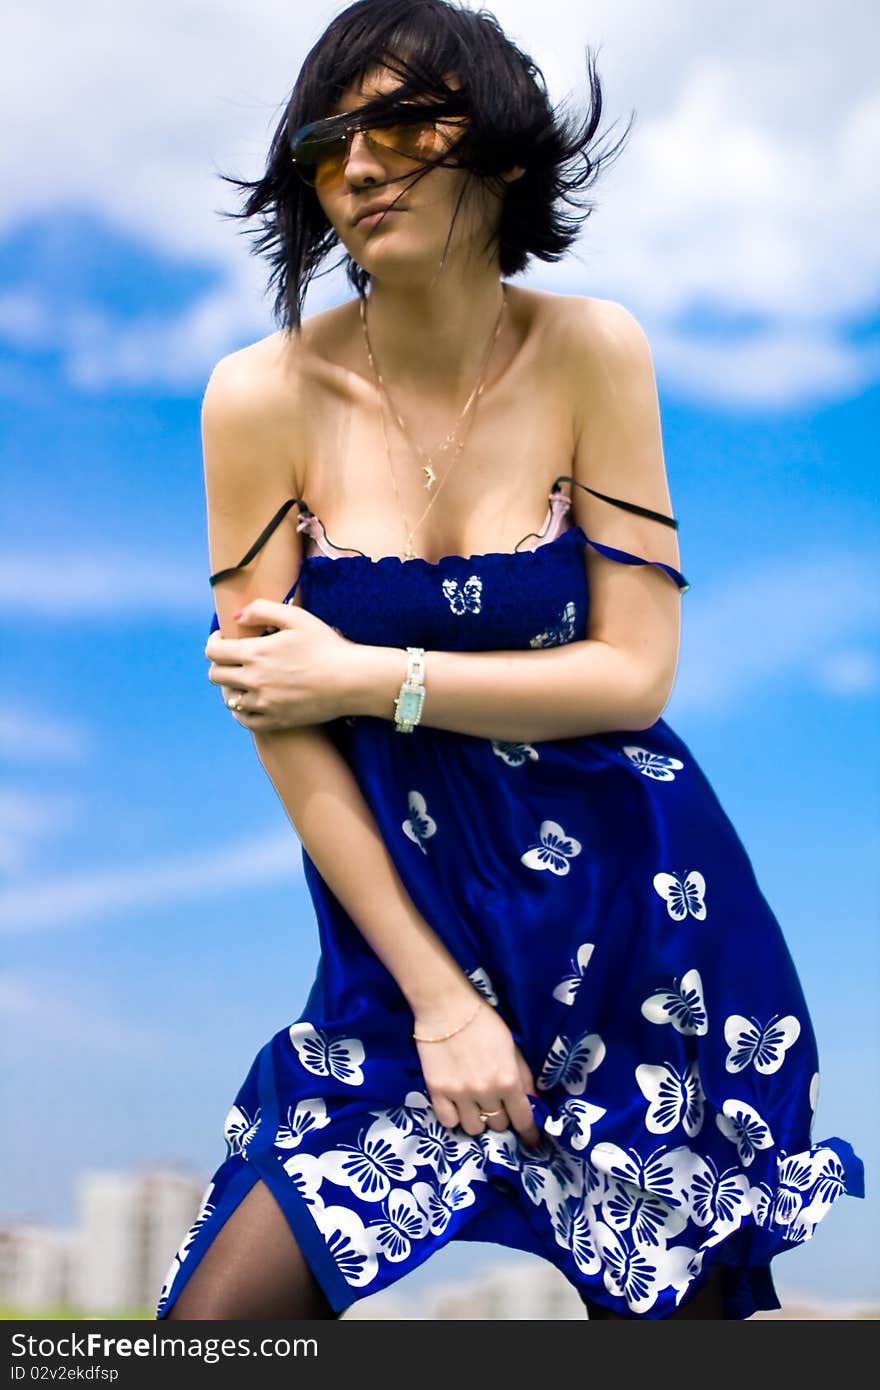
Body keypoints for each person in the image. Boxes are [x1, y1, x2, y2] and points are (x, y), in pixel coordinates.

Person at [156, 0, 863, 1321]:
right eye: (325, 146)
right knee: (215, 1332)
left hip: (635, 924)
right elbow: (277, 716)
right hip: (401, 950)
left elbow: (635, 674)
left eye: (403, 125)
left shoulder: (594, 350)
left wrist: (374, 675)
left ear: (510, 159)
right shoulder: (257, 397)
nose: (357, 166)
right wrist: (437, 998)